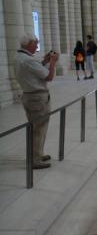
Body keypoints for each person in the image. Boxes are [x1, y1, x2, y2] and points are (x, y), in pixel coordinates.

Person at [14, 33, 59, 169]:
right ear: (28, 44)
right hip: (37, 98)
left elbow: (35, 71)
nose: (37, 45)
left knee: (36, 128)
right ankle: (35, 160)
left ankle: (37, 154)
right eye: (35, 43)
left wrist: (45, 62)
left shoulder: (20, 57)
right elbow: (49, 76)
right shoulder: (28, 60)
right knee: (39, 129)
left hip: (29, 96)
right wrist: (52, 62)